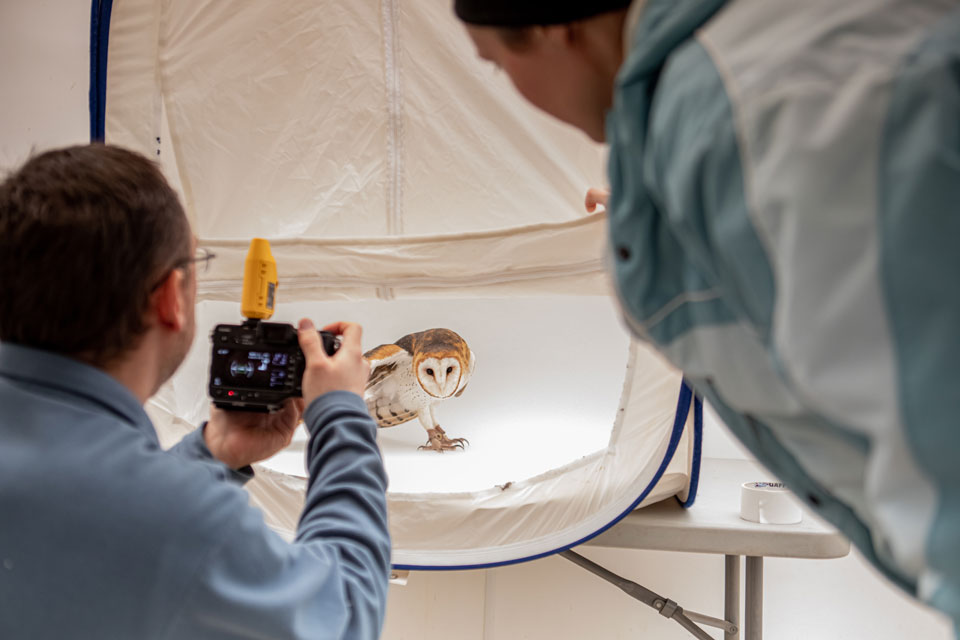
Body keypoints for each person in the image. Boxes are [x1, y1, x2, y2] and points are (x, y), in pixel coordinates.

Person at [455, 0, 960, 630]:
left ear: (556, 25)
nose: (519, 92)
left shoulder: (745, 112)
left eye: (499, 65)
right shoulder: (760, 64)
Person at [0, 144, 390, 639]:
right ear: (169, 298)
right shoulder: (187, 526)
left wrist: (209, 456)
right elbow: (348, 612)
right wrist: (342, 415)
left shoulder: (159, 514)